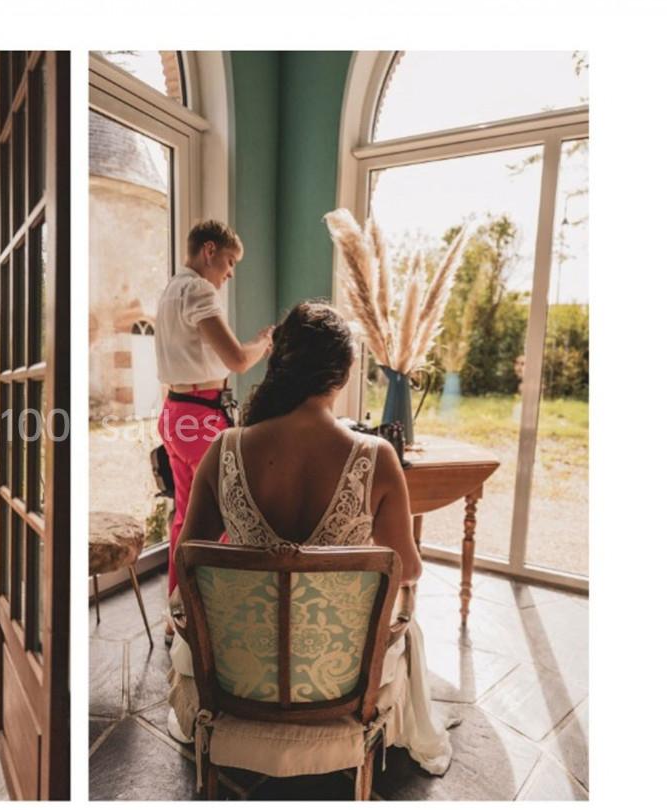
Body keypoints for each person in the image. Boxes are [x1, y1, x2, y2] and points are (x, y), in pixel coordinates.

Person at [167, 300, 453, 774]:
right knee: (408, 619)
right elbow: (409, 567)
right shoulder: (376, 457)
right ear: (342, 373)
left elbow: (185, 559)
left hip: (239, 671)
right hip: (340, 678)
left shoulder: (225, 449)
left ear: (280, 365)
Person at [155, 220, 272, 642]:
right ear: (209, 250)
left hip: (175, 414)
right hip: (202, 418)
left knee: (185, 518)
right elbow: (238, 359)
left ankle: (177, 613)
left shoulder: (170, 290)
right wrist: (265, 342)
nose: (230, 272)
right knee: (228, 513)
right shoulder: (200, 291)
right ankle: (214, 618)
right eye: (229, 261)